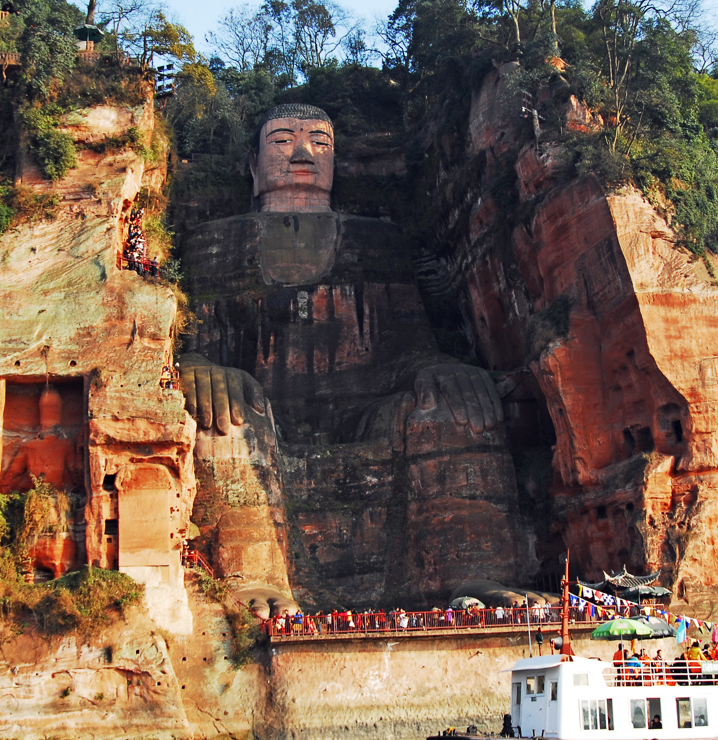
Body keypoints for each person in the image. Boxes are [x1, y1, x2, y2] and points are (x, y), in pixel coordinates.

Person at [178, 102, 511, 612]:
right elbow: (191, 341)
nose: (303, 153)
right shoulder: (213, 242)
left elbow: (410, 349)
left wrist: (438, 368)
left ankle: (470, 574)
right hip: (260, 404)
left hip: (365, 414)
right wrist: (198, 366)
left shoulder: (378, 239)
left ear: (338, 161)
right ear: (252, 165)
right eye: (283, 140)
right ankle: (254, 578)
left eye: (320, 143)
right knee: (222, 414)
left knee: (454, 405)